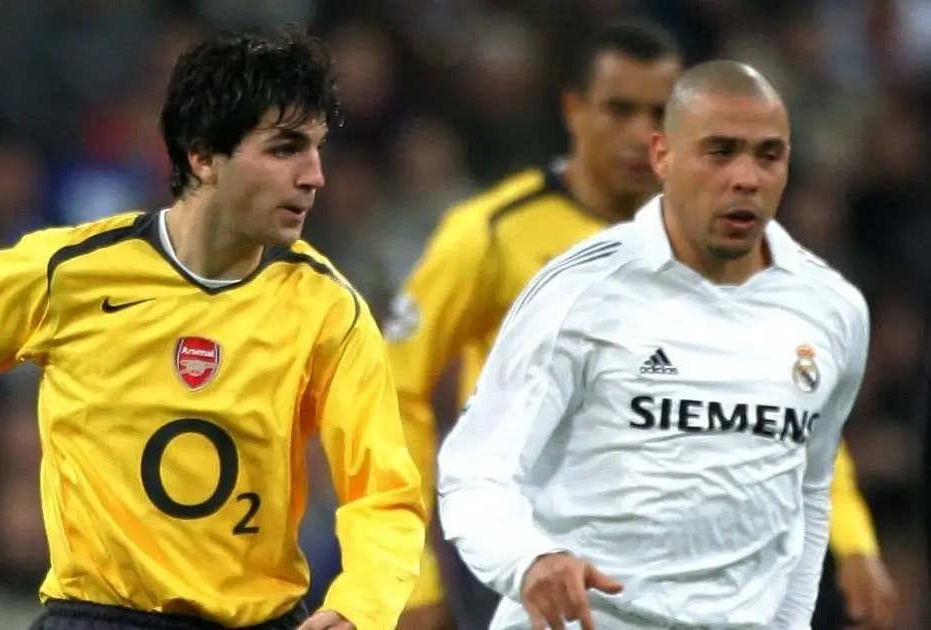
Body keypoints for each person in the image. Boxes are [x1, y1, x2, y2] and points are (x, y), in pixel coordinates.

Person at [0, 28, 427, 630]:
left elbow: (384, 488)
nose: (314, 176)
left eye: (316, 149)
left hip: (262, 621)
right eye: (285, 148)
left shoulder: (328, 309)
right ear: (202, 156)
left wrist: (362, 603)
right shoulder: (62, 274)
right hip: (102, 618)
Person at [384, 17, 895, 630]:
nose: (638, 133)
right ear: (574, 109)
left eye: (657, 112)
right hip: (534, 546)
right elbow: (396, 394)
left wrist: (854, 538)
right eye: (619, 110)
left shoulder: (743, 258)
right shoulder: (494, 236)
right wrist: (413, 574)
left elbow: (790, 409)